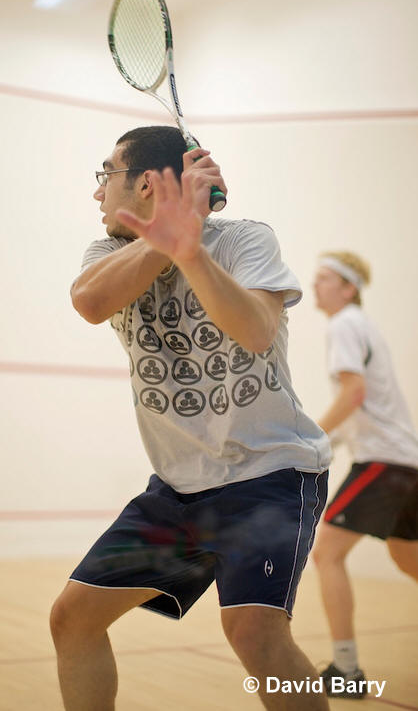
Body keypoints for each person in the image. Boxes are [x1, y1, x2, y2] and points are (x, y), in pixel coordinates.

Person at [50, 125, 331, 711]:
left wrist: (191, 248)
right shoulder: (106, 253)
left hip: (270, 477)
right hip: (177, 490)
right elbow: (89, 303)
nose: (98, 192)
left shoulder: (245, 240)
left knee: (254, 632)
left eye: (106, 175)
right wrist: (169, 236)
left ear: (145, 184)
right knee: (72, 618)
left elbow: (256, 331)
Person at [312, 251, 418, 699]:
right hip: (405, 462)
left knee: (327, 554)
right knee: (407, 557)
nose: (314, 285)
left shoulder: (344, 324)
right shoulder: (362, 326)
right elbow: (363, 404)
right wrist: (327, 444)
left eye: (324, 278)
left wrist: (311, 437)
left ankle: (346, 669)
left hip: (383, 462)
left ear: (348, 288)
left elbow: (353, 394)